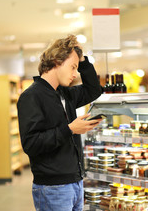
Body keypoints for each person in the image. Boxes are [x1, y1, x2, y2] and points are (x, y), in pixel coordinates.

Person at [17, 34, 103, 211]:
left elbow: (94, 90)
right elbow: (31, 144)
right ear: (57, 61)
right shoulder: (31, 97)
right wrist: (70, 129)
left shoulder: (65, 94)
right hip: (53, 188)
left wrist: (82, 60)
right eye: (72, 67)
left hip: (75, 183)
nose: (74, 74)